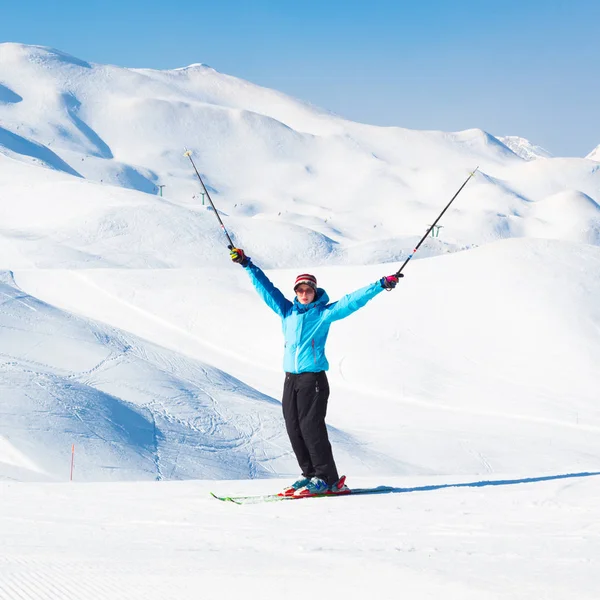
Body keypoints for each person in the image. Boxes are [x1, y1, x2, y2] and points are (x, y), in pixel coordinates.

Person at [230, 247, 402, 497]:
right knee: (293, 427)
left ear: (314, 292)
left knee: (311, 427)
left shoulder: (323, 314)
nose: (304, 294)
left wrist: (380, 285)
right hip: (291, 378)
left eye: (308, 290)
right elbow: (266, 289)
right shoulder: (287, 312)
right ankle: (310, 474)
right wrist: (247, 264)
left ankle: (327, 478)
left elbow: (352, 301)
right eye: (300, 290)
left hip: (314, 379)